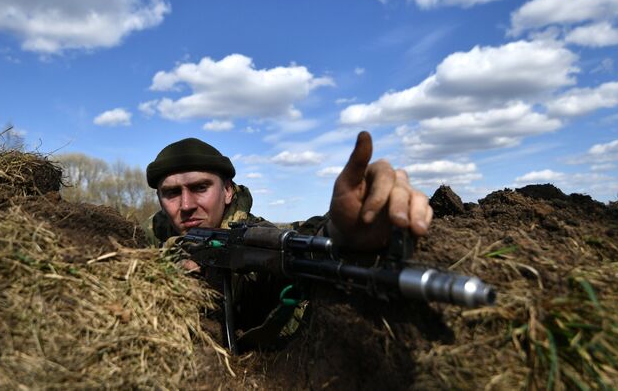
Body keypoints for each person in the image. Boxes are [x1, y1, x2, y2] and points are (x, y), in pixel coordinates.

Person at [144, 130, 434, 348]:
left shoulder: (254, 238)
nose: (185, 205)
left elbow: (300, 242)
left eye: (199, 187)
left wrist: (342, 233)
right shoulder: (148, 240)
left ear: (229, 191)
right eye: (171, 193)